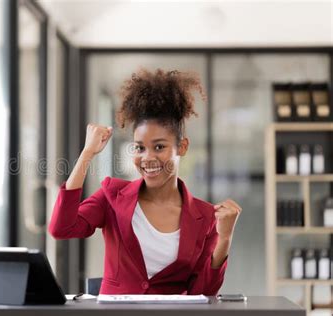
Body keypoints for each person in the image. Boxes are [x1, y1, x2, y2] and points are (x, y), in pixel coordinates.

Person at [48, 68, 242, 295]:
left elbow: (204, 291)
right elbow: (61, 228)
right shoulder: (112, 196)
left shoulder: (206, 216)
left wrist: (225, 238)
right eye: (140, 147)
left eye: (159, 147)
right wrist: (87, 154)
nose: (147, 157)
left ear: (182, 147)